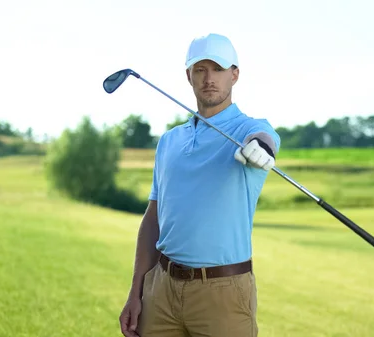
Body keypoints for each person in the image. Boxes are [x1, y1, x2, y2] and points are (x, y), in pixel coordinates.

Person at [119, 33, 281, 337]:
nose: (209, 79)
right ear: (188, 76)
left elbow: (265, 139)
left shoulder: (248, 129)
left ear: (234, 75)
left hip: (223, 293)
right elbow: (153, 218)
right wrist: (136, 292)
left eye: (218, 69)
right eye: (200, 69)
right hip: (161, 289)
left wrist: (260, 147)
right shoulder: (169, 141)